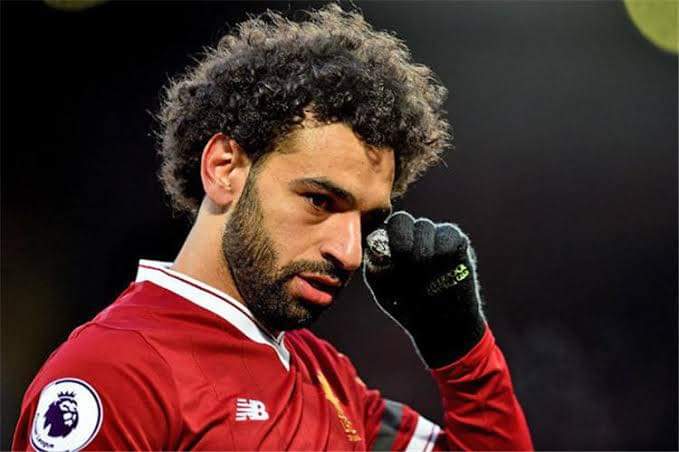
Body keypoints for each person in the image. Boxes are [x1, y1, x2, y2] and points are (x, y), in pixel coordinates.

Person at [13, 4, 532, 451]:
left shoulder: (325, 375)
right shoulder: (113, 374)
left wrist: (462, 351)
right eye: (320, 201)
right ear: (225, 168)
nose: (351, 252)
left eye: (367, 219)